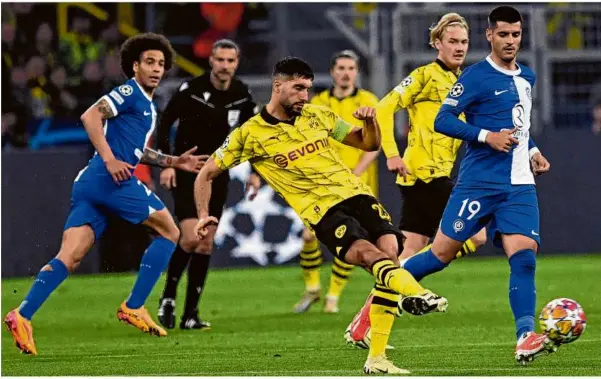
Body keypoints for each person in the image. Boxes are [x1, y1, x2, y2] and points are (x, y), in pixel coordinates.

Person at [193, 56, 448, 374]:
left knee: (390, 251)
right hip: (322, 211)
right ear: (278, 85)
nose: (304, 96)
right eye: (298, 88)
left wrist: (370, 122)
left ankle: (377, 357)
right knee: (368, 256)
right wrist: (203, 215)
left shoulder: (318, 115)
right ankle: (416, 293)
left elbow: (367, 144)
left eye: (308, 89)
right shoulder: (250, 134)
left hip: (356, 193)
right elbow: (206, 174)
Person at [4, 33, 206, 356]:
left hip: (90, 183)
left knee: (70, 256)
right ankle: (135, 305)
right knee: (171, 231)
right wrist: (111, 160)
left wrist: (173, 161)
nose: (156, 69)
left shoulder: (147, 107)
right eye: (150, 62)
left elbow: (138, 151)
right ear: (135, 66)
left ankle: (22, 314)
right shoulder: (129, 92)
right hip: (111, 178)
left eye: (161, 64)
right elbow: (90, 116)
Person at [388, 6, 554, 364]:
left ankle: (525, 335)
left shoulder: (528, 76)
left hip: (519, 185)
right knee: (439, 255)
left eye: (516, 34)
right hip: (478, 183)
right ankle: (376, 303)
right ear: (490, 36)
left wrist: (533, 151)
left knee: (524, 258)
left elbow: (519, 126)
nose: (511, 41)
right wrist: (485, 136)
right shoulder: (476, 77)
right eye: (504, 34)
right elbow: (442, 119)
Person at [345, 12, 487, 348]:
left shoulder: (463, 83)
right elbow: (382, 109)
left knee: (406, 253)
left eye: (464, 42)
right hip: (424, 175)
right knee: (476, 235)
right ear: (437, 42)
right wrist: (391, 153)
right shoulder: (423, 76)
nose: (459, 47)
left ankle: (363, 324)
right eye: (452, 41)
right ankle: (406, 288)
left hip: (433, 177)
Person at [156, 39, 261, 330]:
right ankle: (168, 297)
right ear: (211, 61)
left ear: (236, 63)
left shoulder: (242, 94)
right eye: (220, 60)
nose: (225, 66)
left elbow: (253, 134)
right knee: (190, 237)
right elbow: (165, 123)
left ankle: (191, 315)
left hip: (218, 174)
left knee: (205, 244)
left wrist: (255, 171)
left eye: (230, 60)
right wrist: (168, 162)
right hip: (189, 170)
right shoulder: (190, 90)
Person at [294, 49, 380, 314]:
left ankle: (332, 296)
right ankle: (312, 287)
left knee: (351, 239)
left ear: (356, 72)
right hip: (322, 182)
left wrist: (356, 171)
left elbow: (376, 144)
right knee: (309, 235)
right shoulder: (317, 102)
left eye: (351, 68)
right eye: (341, 68)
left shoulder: (368, 100)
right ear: (332, 72)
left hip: (357, 183)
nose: (346, 73)